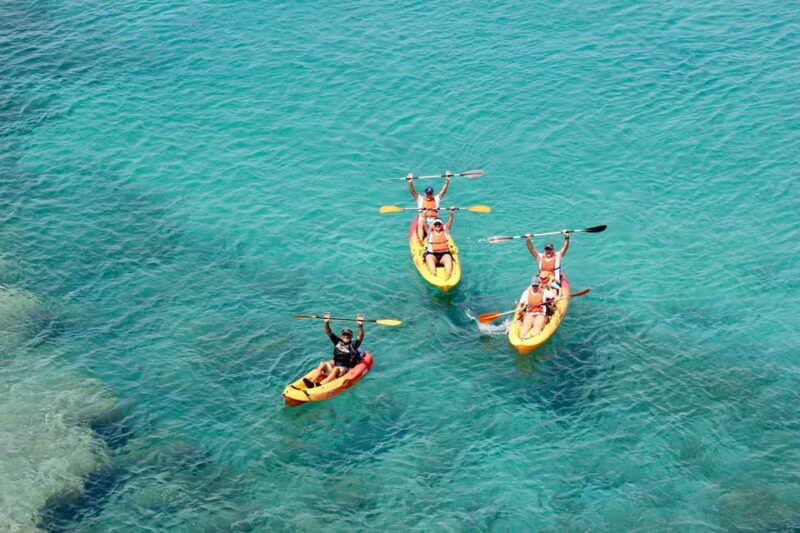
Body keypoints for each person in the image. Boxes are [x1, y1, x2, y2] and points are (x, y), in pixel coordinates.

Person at [304, 312, 365, 387]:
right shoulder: (337, 341)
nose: (346, 336)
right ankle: (312, 382)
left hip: (344, 369)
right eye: (344, 334)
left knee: (335, 369)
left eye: (348, 335)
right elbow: (328, 331)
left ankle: (321, 384)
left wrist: (360, 325)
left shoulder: (353, 345)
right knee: (322, 364)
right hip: (334, 366)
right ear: (341, 335)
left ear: (351, 336)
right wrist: (326, 322)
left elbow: (361, 336)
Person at [417, 207, 455, 278]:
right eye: (436, 224)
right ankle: (433, 275)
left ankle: (448, 277)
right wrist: (424, 214)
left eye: (439, 224)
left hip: (444, 255)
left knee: (449, 271)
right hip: (432, 255)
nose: (437, 226)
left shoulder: (445, 231)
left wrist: (451, 213)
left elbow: (450, 221)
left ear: (441, 225)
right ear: (433, 225)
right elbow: (424, 223)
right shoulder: (429, 231)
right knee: (432, 270)